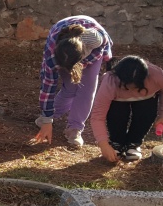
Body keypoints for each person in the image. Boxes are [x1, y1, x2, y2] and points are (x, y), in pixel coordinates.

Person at [30, 15, 113, 149]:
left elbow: (107, 41)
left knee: (87, 89)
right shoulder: (52, 54)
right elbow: (47, 87)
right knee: (70, 88)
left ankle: (74, 129)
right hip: (66, 50)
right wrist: (47, 120)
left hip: (91, 53)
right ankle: (48, 116)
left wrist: (108, 60)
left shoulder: (94, 39)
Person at [90, 55, 163, 163]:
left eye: (136, 85)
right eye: (127, 85)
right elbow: (97, 116)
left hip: (146, 99)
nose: (131, 88)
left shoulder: (158, 75)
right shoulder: (110, 81)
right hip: (118, 102)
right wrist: (103, 144)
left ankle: (133, 144)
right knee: (117, 116)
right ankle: (117, 143)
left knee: (145, 115)